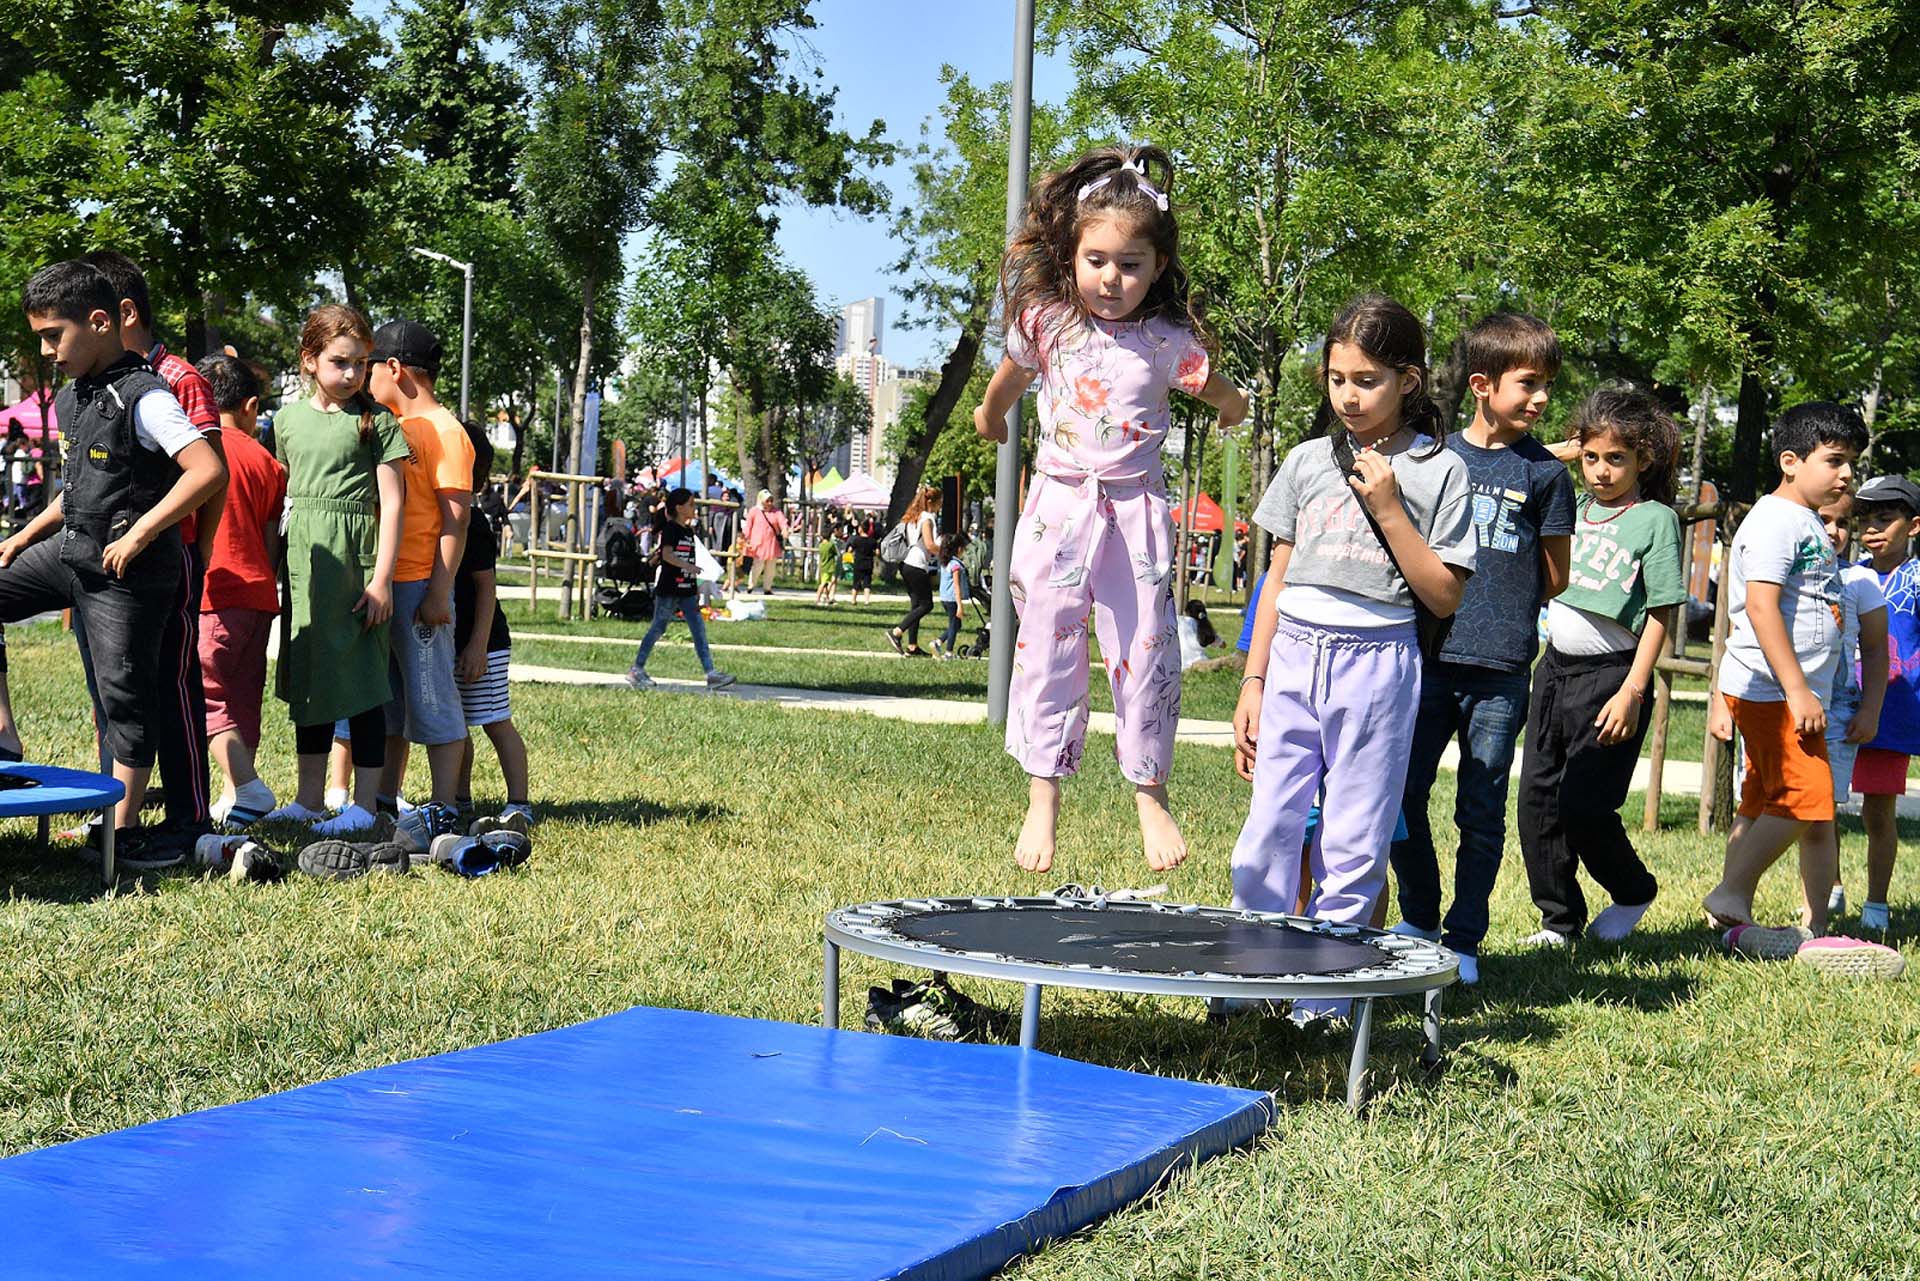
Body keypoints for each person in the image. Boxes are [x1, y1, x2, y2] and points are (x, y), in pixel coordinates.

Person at [973, 145, 1250, 874]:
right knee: (1047, 644)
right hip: (1060, 507)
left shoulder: (1167, 343)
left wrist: (1232, 408)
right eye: (1097, 260)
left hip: (1134, 515)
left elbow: (1223, 392)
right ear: (1071, 254)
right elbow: (1005, 383)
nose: (1111, 278)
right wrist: (989, 416)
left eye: (1130, 264)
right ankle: (1043, 791)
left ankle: (1149, 790)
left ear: (1157, 266)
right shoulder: (1048, 323)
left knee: (1146, 650)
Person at [1230, 294, 1474, 1018]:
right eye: (1337, 377)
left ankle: (1327, 995)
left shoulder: (1441, 472)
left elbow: (1443, 595)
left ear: (1409, 380)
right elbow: (1275, 578)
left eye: (1365, 379)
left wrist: (1393, 507)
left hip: (1379, 661)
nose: (1348, 394)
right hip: (1296, 655)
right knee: (1268, 829)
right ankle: (1251, 973)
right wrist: (1253, 676)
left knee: (1354, 838)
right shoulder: (1306, 461)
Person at [0, 260, 225, 864]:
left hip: (128, 572)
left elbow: (208, 470)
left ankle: (118, 836)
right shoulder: (73, 397)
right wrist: (22, 538)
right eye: (39, 337)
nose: (46, 350)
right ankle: (2, 734)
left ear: (99, 322)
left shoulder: (147, 396)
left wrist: (144, 532)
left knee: (126, 701)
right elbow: (77, 490)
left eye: (54, 335)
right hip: (70, 553)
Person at [1388, 312, 1573, 984]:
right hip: (1427, 659)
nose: (1542, 398)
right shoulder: (1432, 460)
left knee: (1482, 808)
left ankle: (1464, 937)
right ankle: (1418, 913)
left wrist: (1507, 601)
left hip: (1499, 670)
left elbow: (1556, 573)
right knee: (1400, 795)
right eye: (1529, 383)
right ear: (1481, 384)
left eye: (1547, 384)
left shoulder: (1546, 475)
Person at [1700, 402, 1888, 952]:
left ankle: (1809, 926)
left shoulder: (1805, 521)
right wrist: (1798, 687)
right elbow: (1759, 608)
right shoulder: (1775, 520)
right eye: (1834, 460)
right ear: (1790, 461)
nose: (1847, 473)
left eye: (1851, 462)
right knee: (1809, 796)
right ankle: (1732, 893)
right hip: (1773, 690)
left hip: (1790, 692)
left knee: (1764, 800)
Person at [1514, 389, 1686, 949]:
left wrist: (1633, 691)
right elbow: (1515, 452)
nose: (1602, 471)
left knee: (1584, 804)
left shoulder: (1655, 520)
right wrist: (1572, 448)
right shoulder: (1569, 503)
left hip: (1612, 677)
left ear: (1644, 460)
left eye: (1617, 459)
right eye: (1592, 457)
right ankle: (1558, 921)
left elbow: (1661, 612)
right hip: (1555, 670)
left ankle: (1632, 889)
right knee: (1537, 800)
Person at [81, 250, 226, 838]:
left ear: (119, 314)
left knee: (173, 683)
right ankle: (115, 814)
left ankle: (188, 814)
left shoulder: (178, 378)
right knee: (113, 687)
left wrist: (203, 554)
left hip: (171, 556)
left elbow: (210, 474)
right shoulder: (92, 383)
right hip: (105, 560)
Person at [261, 304, 408, 834]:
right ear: (309, 360)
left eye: (361, 364)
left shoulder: (379, 422)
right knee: (310, 678)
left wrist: (381, 579)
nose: (352, 374)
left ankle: (365, 805)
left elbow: (393, 505)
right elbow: (275, 499)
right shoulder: (284, 422)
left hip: (355, 566)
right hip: (303, 565)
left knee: (363, 684)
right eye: (341, 362)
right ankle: (306, 798)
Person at [365, 319, 474, 834]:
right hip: (384, 584)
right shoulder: (389, 423)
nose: (364, 377)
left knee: (432, 701)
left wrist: (439, 589)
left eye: (368, 367)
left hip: (418, 585)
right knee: (388, 704)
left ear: (393, 368)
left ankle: (445, 805)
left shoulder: (445, 431)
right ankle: (385, 797)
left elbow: (456, 519)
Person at [194, 354, 288, 829]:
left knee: (203, 696)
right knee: (243, 698)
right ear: (251, 406)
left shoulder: (195, 453)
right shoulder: (268, 462)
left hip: (212, 592)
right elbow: (272, 539)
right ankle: (237, 799)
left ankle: (247, 786)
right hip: (257, 595)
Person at [1829, 473, 1917, 933]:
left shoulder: (1918, 581)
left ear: (1914, 525)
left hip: (1894, 715)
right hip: (1839, 705)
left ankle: (1877, 905)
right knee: (1823, 806)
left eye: (1886, 519)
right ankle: (1831, 889)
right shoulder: (1845, 572)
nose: (1872, 530)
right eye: (1866, 520)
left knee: (1877, 811)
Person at [451, 420, 533, 835]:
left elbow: (486, 589)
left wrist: (478, 645)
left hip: (483, 641)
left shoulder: (474, 522)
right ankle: (459, 798)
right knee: (455, 725)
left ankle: (519, 801)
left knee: (495, 719)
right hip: (450, 641)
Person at [626, 486, 737, 691]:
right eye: (691, 504)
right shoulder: (671, 529)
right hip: (669, 588)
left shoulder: (687, 530)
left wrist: (693, 584)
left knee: (698, 630)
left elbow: (688, 556)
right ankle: (636, 670)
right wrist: (688, 567)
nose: (694, 508)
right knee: (658, 627)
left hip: (686, 589)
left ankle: (711, 673)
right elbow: (667, 555)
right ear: (679, 507)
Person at [883, 487, 942, 657]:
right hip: (916, 565)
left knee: (916, 605)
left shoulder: (913, 517)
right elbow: (930, 545)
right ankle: (896, 632)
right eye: (939, 501)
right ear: (932, 501)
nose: (941, 505)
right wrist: (945, 551)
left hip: (906, 564)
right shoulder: (927, 519)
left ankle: (912, 645)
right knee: (926, 604)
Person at [741, 489, 788, 595]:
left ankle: (767, 588)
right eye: (767, 500)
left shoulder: (776, 511)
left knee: (771, 568)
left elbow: (782, 521)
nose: (770, 503)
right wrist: (746, 538)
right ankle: (751, 585)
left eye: (771, 500)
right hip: (758, 543)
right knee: (758, 565)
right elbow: (748, 525)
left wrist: (785, 529)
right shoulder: (754, 511)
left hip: (772, 543)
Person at [933, 531, 971, 658]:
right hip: (952, 599)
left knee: (956, 624)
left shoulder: (945, 562)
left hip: (944, 598)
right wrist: (960, 605)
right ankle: (949, 652)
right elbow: (956, 585)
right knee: (954, 625)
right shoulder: (955, 565)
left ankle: (938, 642)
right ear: (959, 549)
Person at [848, 517, 880, 604]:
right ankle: (866, 600)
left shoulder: (856, 540)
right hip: (868, 563)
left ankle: (853, 599)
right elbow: (877, 552)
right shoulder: (873, 541)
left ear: (861, 529)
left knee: (856, 581)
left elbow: (850, 550)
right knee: (867, 582)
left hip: (858, 562)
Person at [814, 520, 839, 606]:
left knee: (825, 583)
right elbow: (836, 553)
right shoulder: (831, 545)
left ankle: (828, 598)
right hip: (829, 567)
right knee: (824, 583)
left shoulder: (820, 545)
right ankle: (817, 598)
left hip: (823, 565)